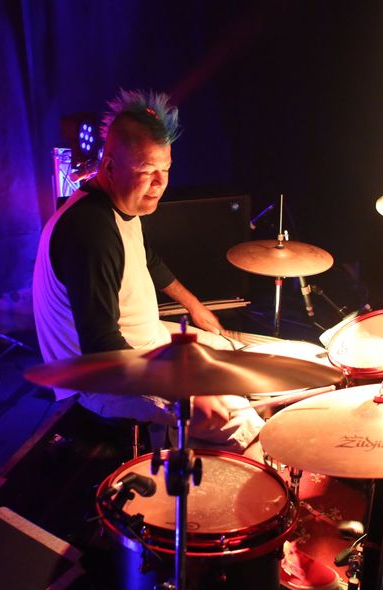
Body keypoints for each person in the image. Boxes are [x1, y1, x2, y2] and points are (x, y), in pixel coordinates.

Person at [32, 89, 263, 456]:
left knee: (243, 359)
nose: (159, 183)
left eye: (165, 170)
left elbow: (146, 259)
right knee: (237, 418)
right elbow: (103, 349)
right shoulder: (90, 232)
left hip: (144, 343)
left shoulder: (121, 202)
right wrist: (184, 390)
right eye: (146, 171)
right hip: (99, 378)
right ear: (109, 167)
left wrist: (195, 307)